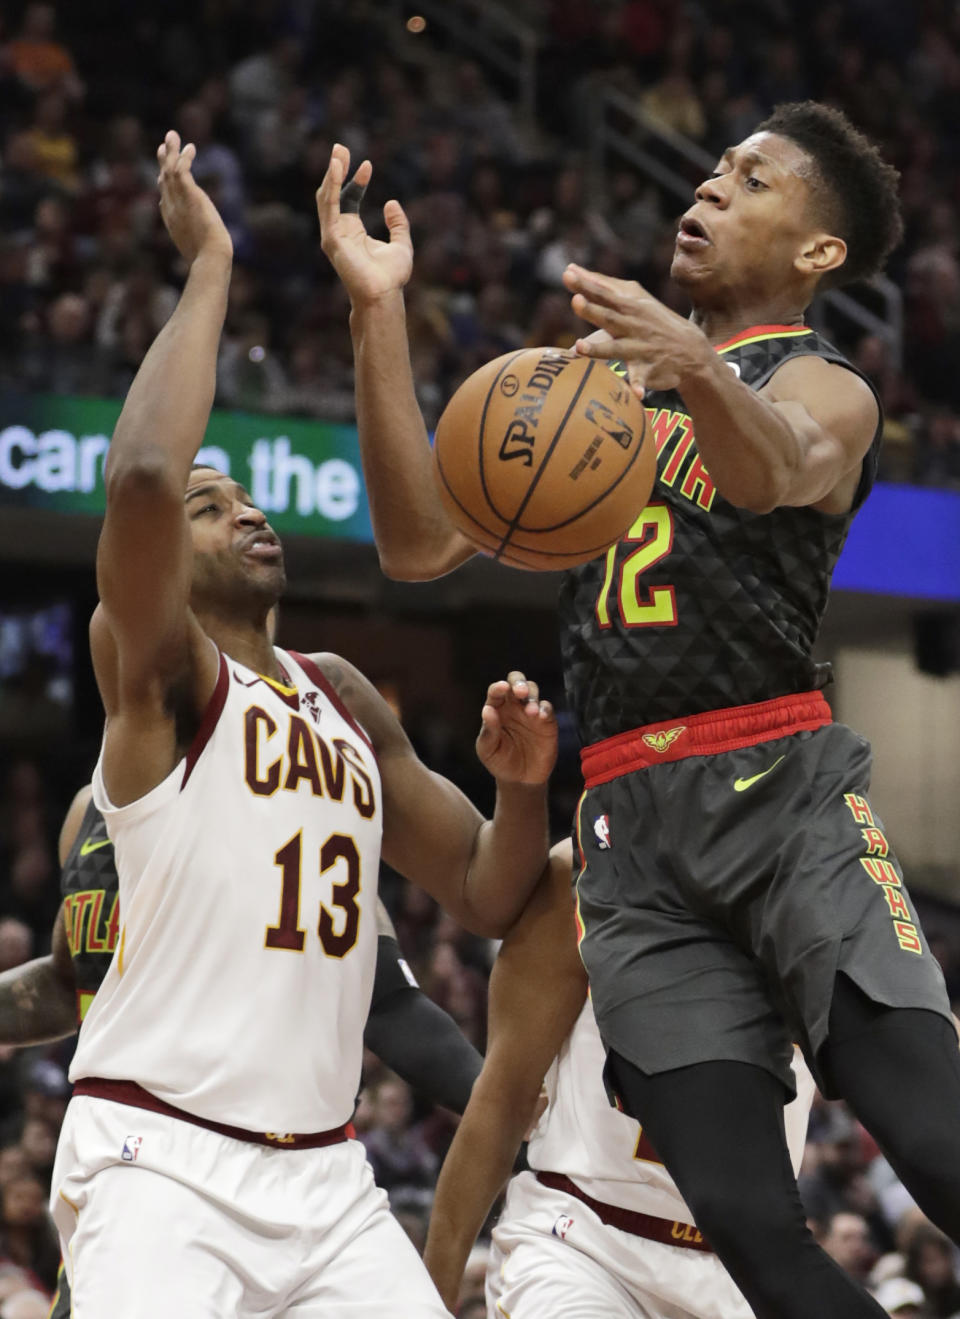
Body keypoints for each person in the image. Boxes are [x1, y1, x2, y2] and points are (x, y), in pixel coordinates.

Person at [317, 101, 960, 1319]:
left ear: (818, 251)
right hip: (628, 830)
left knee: (936, 1144)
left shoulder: (826, 385)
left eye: (752, 179)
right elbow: (411, 542)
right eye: (712, 169)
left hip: (779, 795)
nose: (713, 187)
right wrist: (376, 308)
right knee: (756, 1232)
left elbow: (773, 465)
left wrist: (693, 362)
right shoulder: (592, 391)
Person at [48, 131, 557, 1319]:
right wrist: (211, 264)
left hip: (328, 1172)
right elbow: (137, 480)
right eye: (212, 506)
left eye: (251, 498)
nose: (250, 512)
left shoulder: (343, 691)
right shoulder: (157, 672)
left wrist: (525, 785)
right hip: (160, 1153)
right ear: (168, 553)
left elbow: (485, 891)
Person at [0, 778, 487, 1319]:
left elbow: (390, 1003)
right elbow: (73, 981)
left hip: (277, 1159)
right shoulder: (86, 808)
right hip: (140, 1159)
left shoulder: (276, 798)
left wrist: (507, 1108)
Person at [423, 839, 815, 1318]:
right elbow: (503, 1096)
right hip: (586, 1242)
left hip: (741, 1270)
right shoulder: (587, 867)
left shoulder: (829, 882)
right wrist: (430, 1297)